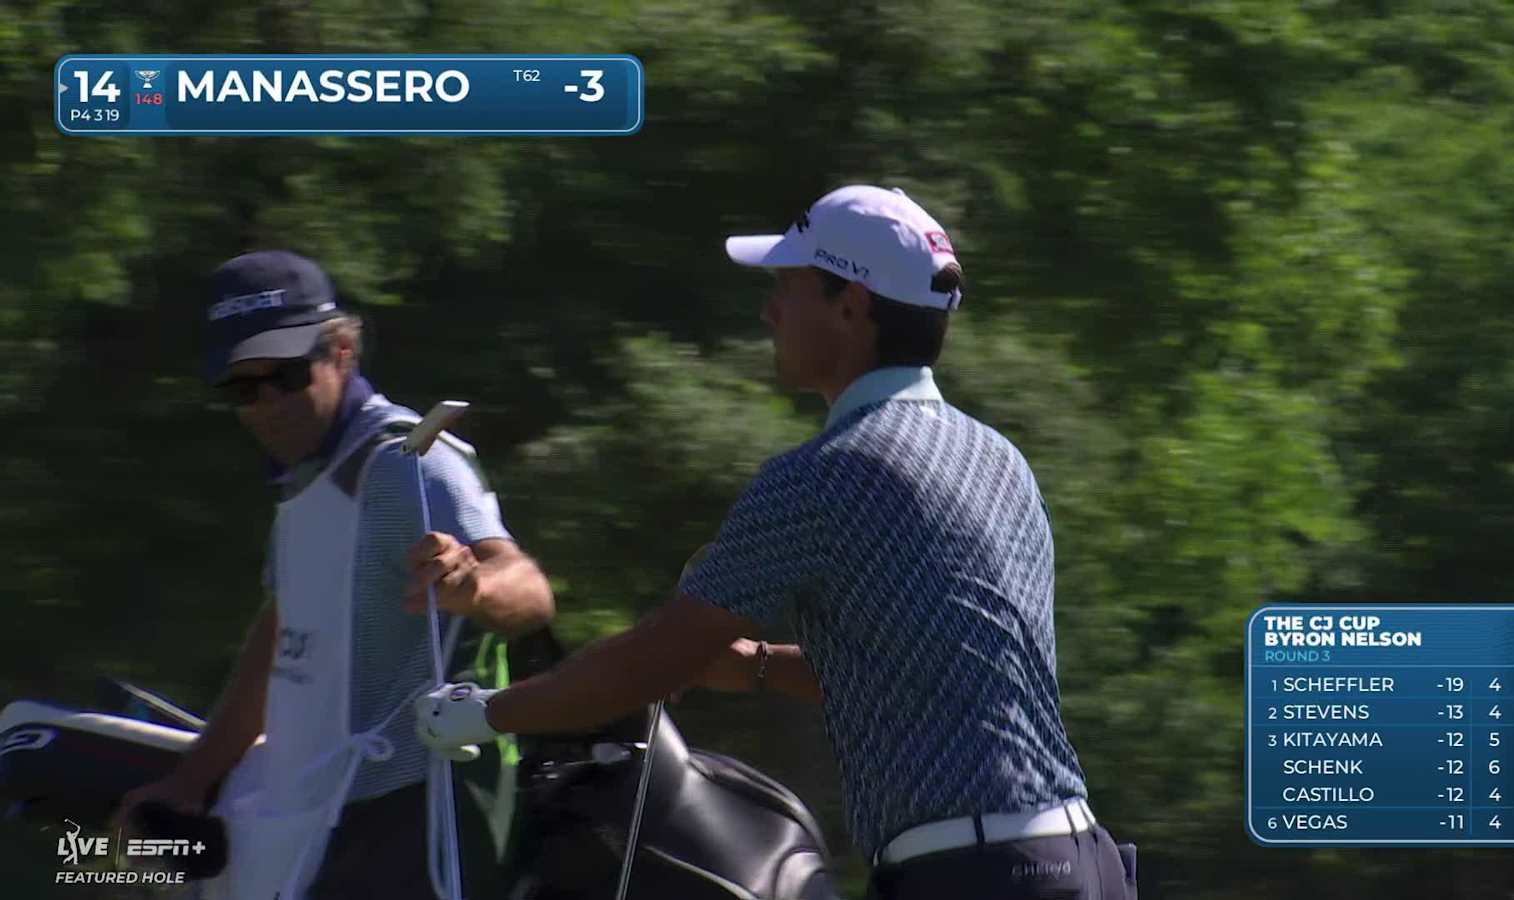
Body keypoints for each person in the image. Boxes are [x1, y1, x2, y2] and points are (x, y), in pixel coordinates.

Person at [414, 186, 1136, 899]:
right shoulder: (998, 457)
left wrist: (486, 711)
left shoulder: (827, 473)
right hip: (1080, 862)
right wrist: (755, 665)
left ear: (851, 306)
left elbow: (654, 661)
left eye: (787, 287)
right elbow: (922, 672)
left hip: (973, 879)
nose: (770, 309)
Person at [113, 250, 554, 900]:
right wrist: (192, 778)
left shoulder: (406, 462)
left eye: (285, 376)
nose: (265, 404)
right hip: (312, 810)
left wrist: (473, 587)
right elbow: (283, 630)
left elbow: (530, 591)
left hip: (402, 814)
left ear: (342, 350)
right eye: (242, 387)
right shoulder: (304, 479)